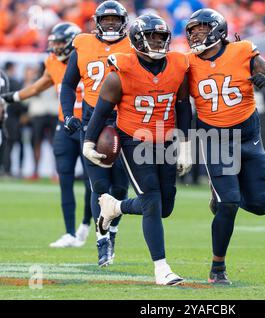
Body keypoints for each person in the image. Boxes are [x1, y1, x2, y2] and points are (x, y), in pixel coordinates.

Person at [84, 14, 192, 285]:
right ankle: (161, 268)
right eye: (152, 36)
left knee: (164, 207)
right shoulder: (121, 70)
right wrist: (88, 141)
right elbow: (101, 111)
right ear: (136, 40)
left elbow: (182, 106)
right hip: (134, 140)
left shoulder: (178, 64)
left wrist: (187, 144)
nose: (158, 41)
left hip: (165, 140)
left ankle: (114, 207)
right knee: (152, 201)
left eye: (161, 36)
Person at [185, 8, 265, 284]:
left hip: (248, 138)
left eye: (201, 30)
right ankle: (217, 269)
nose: (196, 36)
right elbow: (181, 103)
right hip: (215, 139)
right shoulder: (189, 63)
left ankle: (220, 194)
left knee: (261, 204)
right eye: (192, 32)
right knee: (229, 203)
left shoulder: (243, 51)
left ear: (217, 31)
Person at [1, 23, 92, 247]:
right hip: (65, 126)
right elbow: (37, 87)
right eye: (55, 42)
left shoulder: (88, 58)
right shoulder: (52, 62)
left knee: (93, 182)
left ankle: (87, 224)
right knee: (65, 179)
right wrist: (9, 98)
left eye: (61, 42)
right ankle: (70, 233)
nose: (56, 47)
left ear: (72, 41)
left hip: (90, 126)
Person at [60, 0, 131, 267]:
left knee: (121, 187)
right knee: (99, 186)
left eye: (115, 19)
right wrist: (69, 115)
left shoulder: (134, 46)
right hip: (92, 122)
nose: (110, 24)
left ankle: (112, 232)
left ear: (123, 22)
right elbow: (68, 85)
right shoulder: (83, 44)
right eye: (106, 19)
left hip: (125, 121)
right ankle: (102, 240)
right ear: (97, 22)